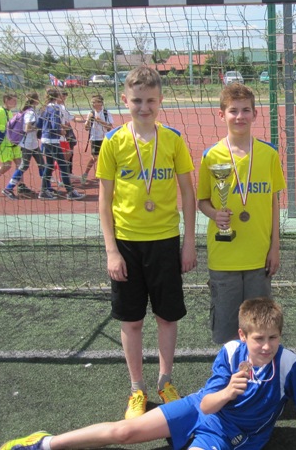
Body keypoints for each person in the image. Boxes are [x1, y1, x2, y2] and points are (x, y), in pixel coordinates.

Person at [0, 298, 296, 450]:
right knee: (124, 432)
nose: (266, 346)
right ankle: (42, 444)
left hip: (229, 434)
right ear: (243, 335)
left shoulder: (289, 364)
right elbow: (208, 404)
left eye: (273, 338)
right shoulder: (231, 353)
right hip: (200, 408)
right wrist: (229, 390)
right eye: (258, 338)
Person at [96, 65, 197, 419]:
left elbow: (188, 193)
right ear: (125, 100)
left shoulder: (173, 139)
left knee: (167, 317)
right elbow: (104, 202)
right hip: (126, 244)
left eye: (150, 101)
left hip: (165, 241)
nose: (144, 107)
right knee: (132, 321)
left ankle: (165, 381)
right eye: (137, 101)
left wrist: (188, 242)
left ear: (161, 100)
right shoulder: (113, 141)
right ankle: (137, 388)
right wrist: (111, 251)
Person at [197, 83, 286, 344]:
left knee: (261, 328)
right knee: (227, 329)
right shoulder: (211, 156)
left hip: (259, 256)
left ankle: (259, 370)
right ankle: (230, 370)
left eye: (246, 110)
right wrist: (215, 214)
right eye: (233, 111)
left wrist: (275, 248)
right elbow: (202, 201)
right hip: (224, 257)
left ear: (255, 114)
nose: (240, 116)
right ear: (221, 114)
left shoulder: (269, 154)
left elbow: (273, 204)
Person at [0, 92, 33, 197]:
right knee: (7, 165)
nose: (15, 102)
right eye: (13, 100)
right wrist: (5, 128)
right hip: (4, 144)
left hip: (12, 142)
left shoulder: (8, 112)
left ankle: (21, 185)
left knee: (20, 163)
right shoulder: (0, 112)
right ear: (6, 100)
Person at [38, 88, 85, 200]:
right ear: (57, 96)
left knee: (49, 165)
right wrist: (61, 131)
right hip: (53, 141)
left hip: (45, 140)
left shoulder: (44, 108)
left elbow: (39, 124)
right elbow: (55, 126)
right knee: (63, 165)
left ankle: (43, 191)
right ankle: (70, 192)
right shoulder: (56, 108)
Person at [2, 92, 45, 199]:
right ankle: (8, 188)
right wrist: (39, 128)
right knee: (24, 166)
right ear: (35, 100)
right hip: (28, 144)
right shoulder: (30, 112)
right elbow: (26, 128)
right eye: (38, 98)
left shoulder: (32, 111)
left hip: (33, 143)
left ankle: (46, 187)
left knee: (42, 164)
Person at [81, 93, 114, 184]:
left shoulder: (106, 113)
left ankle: (104, 176)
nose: (93, 104)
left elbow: (109, 127)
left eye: (94, 102)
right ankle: (85, 174)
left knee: (106, 157)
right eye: (92, 102)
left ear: (100, 103)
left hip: (105, 138)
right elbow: (86, 128)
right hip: (95, 138)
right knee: (94, 157)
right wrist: (89, 120)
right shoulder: (91, 113)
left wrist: (100, 121)